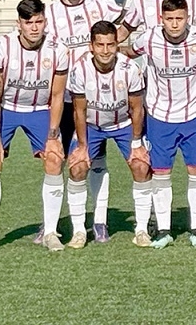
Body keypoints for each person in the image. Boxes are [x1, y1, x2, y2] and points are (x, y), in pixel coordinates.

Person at [0, 0, 69, 253]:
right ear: (19, 24)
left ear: (45, 22)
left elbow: (58, 95)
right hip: (7, 109)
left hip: (40, 110)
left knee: (54, 158)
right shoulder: (1, 47)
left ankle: (50, 232)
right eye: (29, 22)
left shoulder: (57, 49)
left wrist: (52, 135)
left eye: (39, 21)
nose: (34, 27)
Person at [126, 0, 196, 248]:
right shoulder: (148, 39)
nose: (175, 24)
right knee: (161, 172)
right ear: (161, 19)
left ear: (188, 18)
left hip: (195, 116)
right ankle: (164, 228)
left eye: (180, 18)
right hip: (160, 118)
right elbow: (127, 52)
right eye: (170, 19)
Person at [43, 0, 125, 244]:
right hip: (63, 100)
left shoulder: (100, 6)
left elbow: (127, 21)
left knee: (96, 160)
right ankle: (51, 224)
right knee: (58, 160)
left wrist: (117, 48)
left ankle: (99, 221)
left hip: (97, 100)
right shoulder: (51, 13)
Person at [67, 21, 152, 248]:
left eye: (110, 45)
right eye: (100, 45)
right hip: (92, 125)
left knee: (141, 165)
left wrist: (136, 142)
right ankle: (78, 231)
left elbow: (137, 108)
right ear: (91, 46)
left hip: (123, 124)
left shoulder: (130, 69)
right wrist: (83, 146)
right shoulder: (79, 70)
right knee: (77, 167)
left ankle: (142, 229)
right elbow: (79, 110)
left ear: (118, 44)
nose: (105, 50)